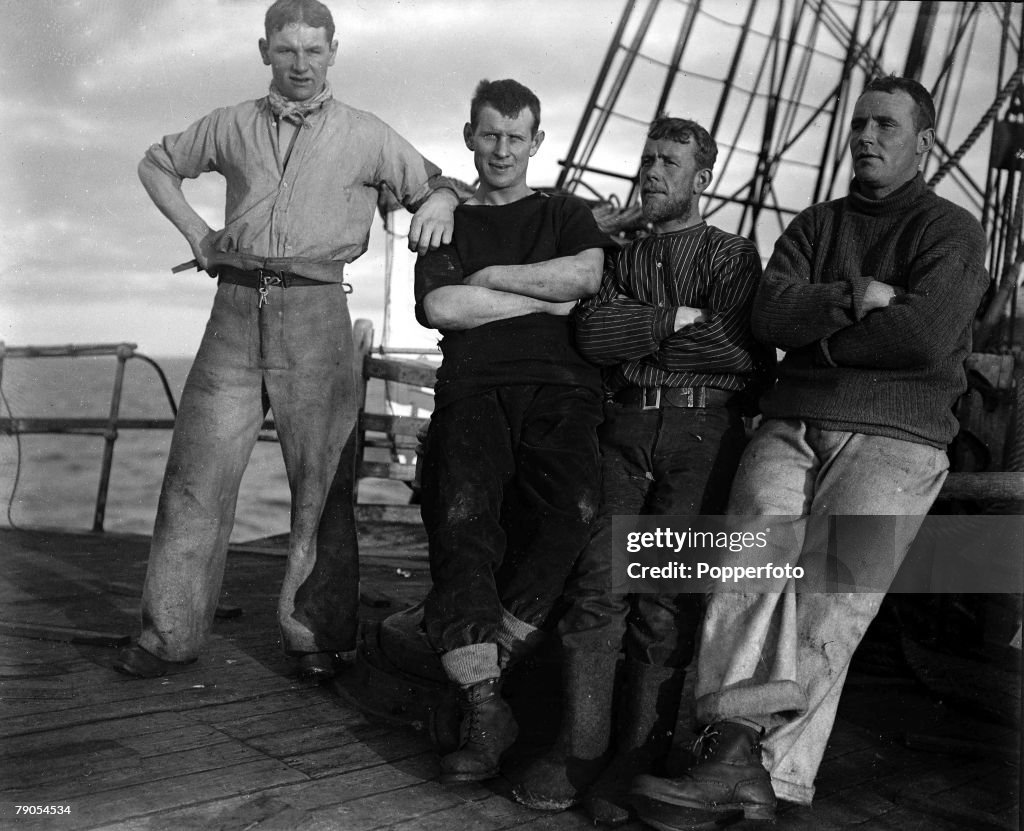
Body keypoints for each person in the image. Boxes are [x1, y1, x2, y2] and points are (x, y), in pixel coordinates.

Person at [630, 76, 990, 829]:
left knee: (830, 596)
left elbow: (923, 336)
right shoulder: (814, 223)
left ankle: (758, 772)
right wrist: (861, 301)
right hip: (791, 420)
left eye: (885, 125)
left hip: (900, 436)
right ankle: (738, 764)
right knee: (747, 570)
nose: (864, 136)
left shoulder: (952, 231)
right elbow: (768, 312)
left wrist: (819, 327)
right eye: (858, 122)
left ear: (923, 143)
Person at [114, 0, 459, 682]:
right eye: (287, 50)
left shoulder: (367, 134)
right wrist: (196, 233)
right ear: (265, 51)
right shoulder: (230, 124)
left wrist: (442, 199)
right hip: (234, 311)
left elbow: (436, 183)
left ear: (334, 52)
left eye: (313, 50)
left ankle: (318, 638)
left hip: (318, 313)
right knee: (195, 478)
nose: (300, 64)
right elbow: (157, 164)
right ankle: (167, 633)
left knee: (322, 485)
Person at [510, 116, 774, 825]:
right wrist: (673, 321)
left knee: (663, 600)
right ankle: (581, 747)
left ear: (702, 178)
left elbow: (739, 349)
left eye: (670, 162)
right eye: (648, 158)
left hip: (700, 431)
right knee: (598, 590)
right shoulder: (619, 256)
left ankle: (638, 756)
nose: (652, 171)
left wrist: (647, 330)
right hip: (624, 425)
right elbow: (595, 334)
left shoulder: (731, 254)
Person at [414, 78, 615, 784]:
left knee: (577, 512)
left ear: (536, 142)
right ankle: (484, 706)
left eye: (515, 136)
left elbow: (585, 276)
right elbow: (443, 305)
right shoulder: (446, 221)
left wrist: (494, 275)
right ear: (469, 136)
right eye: (489, 134)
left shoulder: (566, 211)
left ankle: (489, 662)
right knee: (464, 523)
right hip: (473, 391)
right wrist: (540, 297)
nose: (501, 149)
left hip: (562, 392)